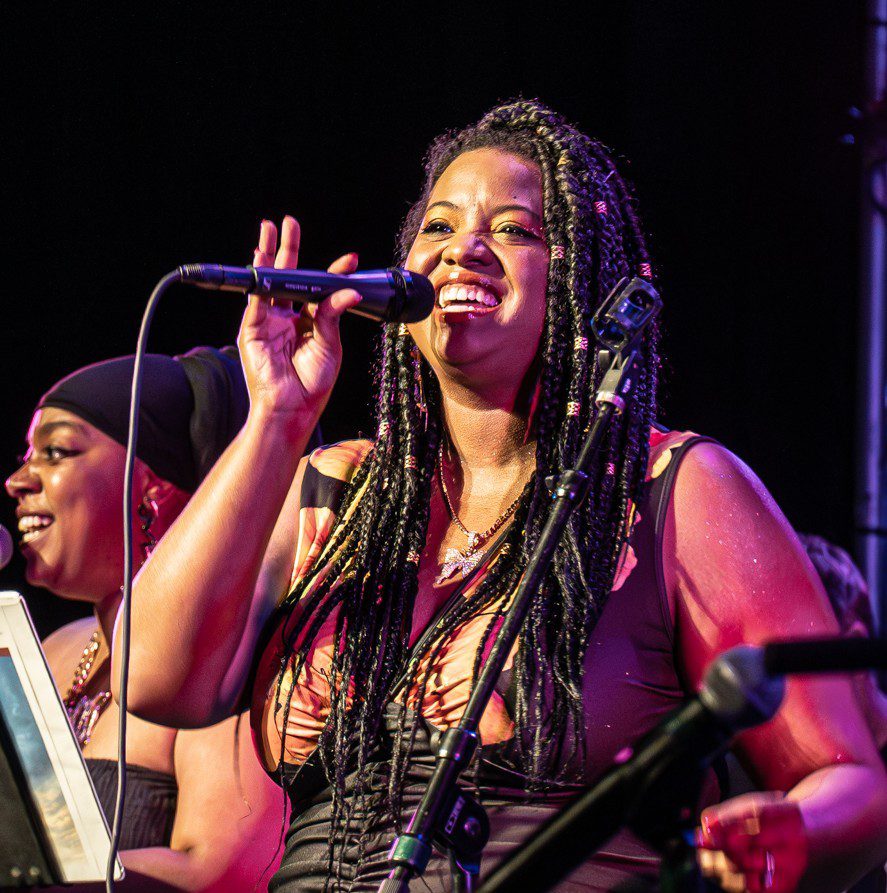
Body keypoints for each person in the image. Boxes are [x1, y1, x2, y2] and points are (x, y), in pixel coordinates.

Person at [119, 100, 887, 892]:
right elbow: (153, 677)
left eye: (516, 230)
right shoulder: (337, 489)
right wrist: (277, 419)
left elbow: (853, 783)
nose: (465, 251)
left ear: (584, 277)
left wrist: (786, 833)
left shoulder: (676, 491)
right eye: (439, 228)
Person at [5, 348, 292, 891]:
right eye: (27, 455)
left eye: (56, 452)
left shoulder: (223, 657)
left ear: (153, 494)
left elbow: (223, 872)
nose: (18, 480)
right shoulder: (57, 647)